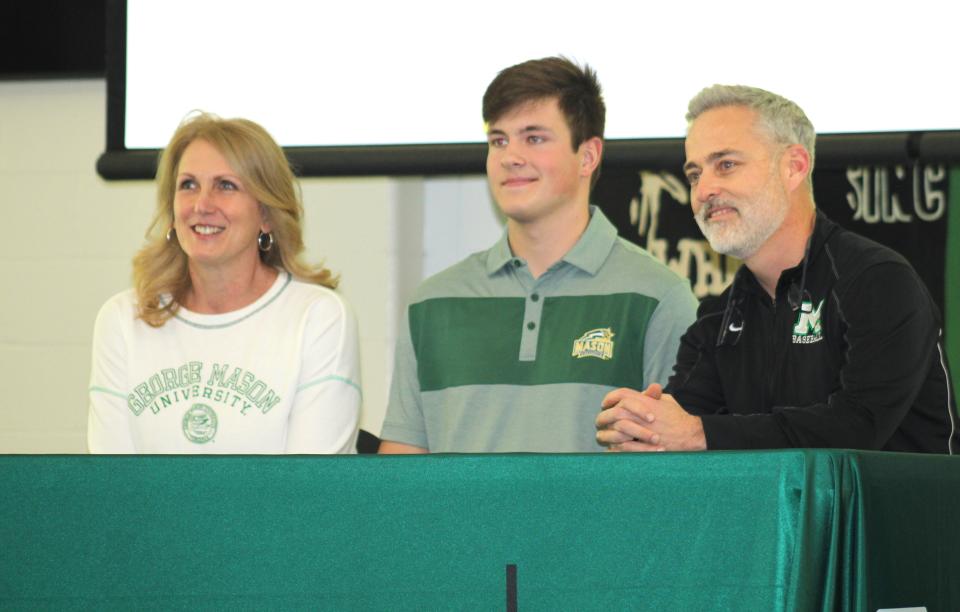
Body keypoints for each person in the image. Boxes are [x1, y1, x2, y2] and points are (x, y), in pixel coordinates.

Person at [596, 85, 958, 454]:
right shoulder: (717, 320)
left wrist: (698, 434)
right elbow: (681, 422)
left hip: (896, 512)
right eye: (693, 175)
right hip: (776, 513)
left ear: (794, 167)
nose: (704, 189)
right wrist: (642, 427)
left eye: (726, 165)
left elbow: (857, 428)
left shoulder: (876, 280)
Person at [379, 57, 698, 453]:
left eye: (533, 138)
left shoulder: (659, 297)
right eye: (498, 140)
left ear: (588, 156)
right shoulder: (432, 302)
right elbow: (402, 472)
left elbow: (681, 474)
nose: (510, 156)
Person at [88, 113, 360, 453]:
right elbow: (111, 486)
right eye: (188, 185)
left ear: (266, 214)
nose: (202, 205)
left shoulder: (318, 317)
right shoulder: (122, 320)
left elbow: (308, 492)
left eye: (225, 185)